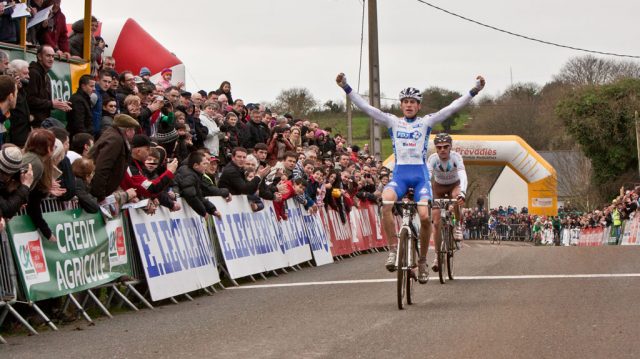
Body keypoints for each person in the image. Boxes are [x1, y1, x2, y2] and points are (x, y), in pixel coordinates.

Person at [335, 72, 485, 284]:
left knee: (424, 217)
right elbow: (368, 108)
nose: (408, 105)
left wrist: (474, 90)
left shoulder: (426, 123)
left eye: (413, 102)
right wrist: (346, 87)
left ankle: (422, 260)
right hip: (400, 176)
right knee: (386, 203)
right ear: (401, 105)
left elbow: (451, 108)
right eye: (405, 102)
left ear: (419, 106)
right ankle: (393, 249)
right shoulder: (393, 122)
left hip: (421, 177)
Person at [427, 133, 468, 270]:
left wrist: (462, 192)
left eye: (445, 147)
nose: (442, 150)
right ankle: (437, 256)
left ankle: (457, 225)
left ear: (450, 147)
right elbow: (427, 176)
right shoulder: (432, 159)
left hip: (454, 185)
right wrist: (425, 192)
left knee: (457, 196)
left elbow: (462, 175)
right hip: (438, 187)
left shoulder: (456, 157)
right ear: (436, 149)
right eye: (439, 147)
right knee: (437, 222)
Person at [89, 113, 139, 202]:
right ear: (128, 130)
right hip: (96, 193)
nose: (134, 133)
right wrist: (101, 195)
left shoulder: (114, 136)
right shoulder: (115, 140)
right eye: (133, 130)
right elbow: (102, 167)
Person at [26, 45, 72, 127]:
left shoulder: (45, 75)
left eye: (53, 56)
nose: (51, 59)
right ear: (39, 56)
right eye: (48, 56)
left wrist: (58, 104)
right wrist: (51, 103)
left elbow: (42, 100)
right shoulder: (33, 73)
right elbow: (30, 99)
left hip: (42, 121)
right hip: (34, 123)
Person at [175, 152, 219, 218]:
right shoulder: (189, 175)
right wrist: (203, 212)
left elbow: (199, 195)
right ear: (196, 165)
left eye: (207, 163)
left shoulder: (196, 174)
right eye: (204, 164)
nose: (206, 166)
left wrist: (212, 210)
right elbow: (190, 195)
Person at [6, 60, 31, 146]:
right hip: (13, 137)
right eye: (25, 73)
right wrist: (14, 88)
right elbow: (11, 106)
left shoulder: (22, 89)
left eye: (28, 73)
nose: (28, 76)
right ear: (15, 74)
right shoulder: (8, 89)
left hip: (24, 136)